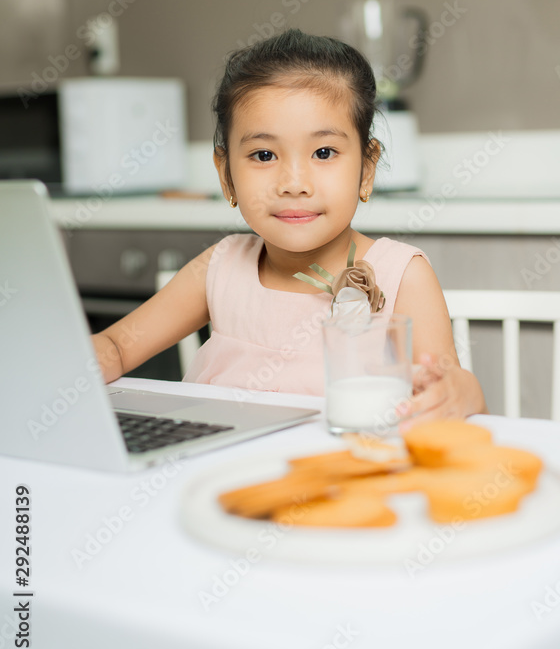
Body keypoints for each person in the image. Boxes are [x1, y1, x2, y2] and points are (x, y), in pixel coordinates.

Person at [92, 28, 486, 425]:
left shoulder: (403, 276)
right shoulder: (220, 266)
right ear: (226, 175)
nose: (294, 183)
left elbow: (449, 392)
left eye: (323, 152)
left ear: (366, 170)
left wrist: (462, 392)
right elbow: (115, 348)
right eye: (264, 154)